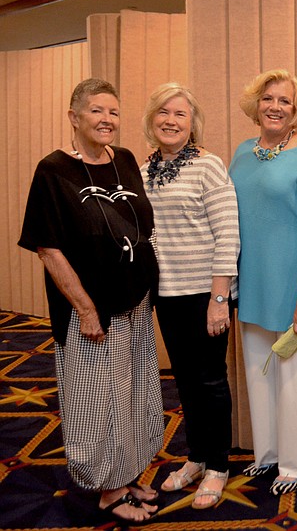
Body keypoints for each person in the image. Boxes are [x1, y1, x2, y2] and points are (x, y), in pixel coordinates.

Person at [18, 78, 161, 523]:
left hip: (135, 303)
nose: (107, 120)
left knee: (134, 394)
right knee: (97, 399)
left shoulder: (125, 160)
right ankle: (107, 490)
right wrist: (84, 307)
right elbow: (47, 247)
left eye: (114, 112)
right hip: (92, 310)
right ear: (74, 117)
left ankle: (128, 471)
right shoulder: (53, 170)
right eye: (96, 111)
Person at [229, 69, 297, 496]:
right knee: (261, 376)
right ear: (255, 105)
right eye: (268, 99)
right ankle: (269, 454)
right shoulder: (242, 153)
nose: (276, 107)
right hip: (254, 287)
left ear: (296, 112)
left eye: (285, 102)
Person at [140, 83, 239, 509]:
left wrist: (220, 298)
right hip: (166, 294)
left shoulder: (208, 166)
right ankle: (196, 457)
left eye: (180, 114)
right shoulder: (142, 172)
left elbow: (228, 234)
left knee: (211, 380)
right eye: (163, 112)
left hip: (205, 293)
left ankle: (218, 465)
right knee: (185, 381)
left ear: (192, 123)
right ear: (151, 119)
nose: (170, 120)